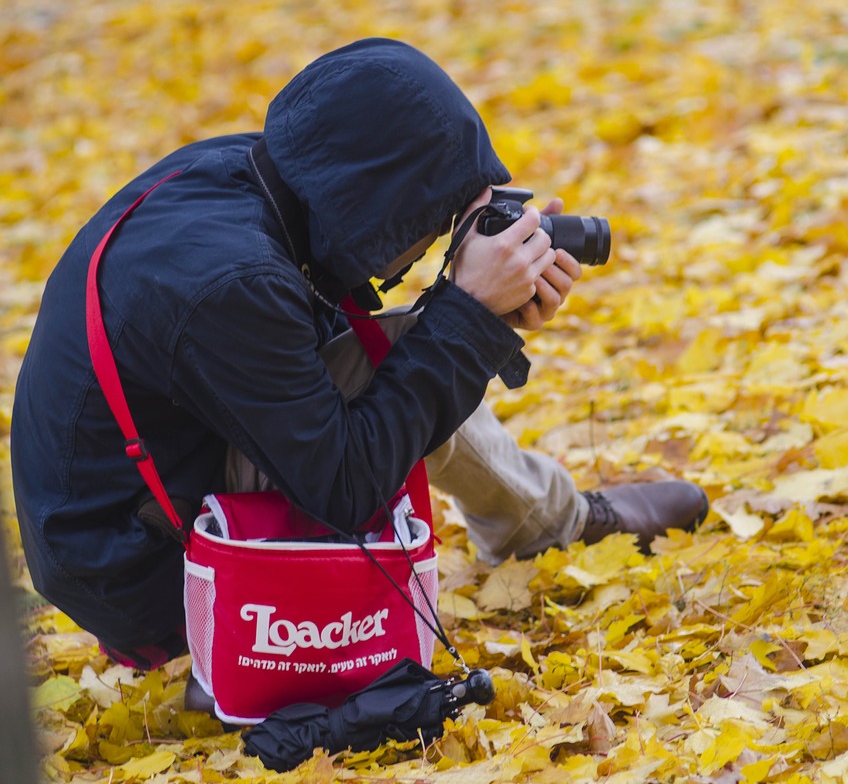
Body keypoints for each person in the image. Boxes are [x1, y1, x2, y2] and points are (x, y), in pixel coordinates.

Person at [11, 38, 707, 698]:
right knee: (406, 352)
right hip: (137, 567)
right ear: (382, 205)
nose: (430, 245)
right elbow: (344, 484)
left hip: (135, 498)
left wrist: (475, 309)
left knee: (409, 346)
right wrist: (468, 312)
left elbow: (316, 346)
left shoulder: (252, 179)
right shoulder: (234, 284)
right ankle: (544, 523)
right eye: (430, 226)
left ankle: (540, 520)